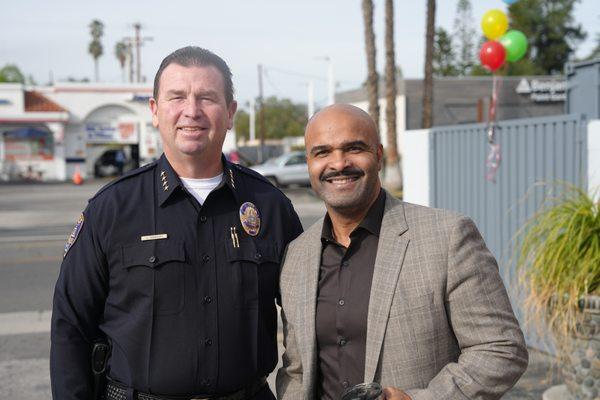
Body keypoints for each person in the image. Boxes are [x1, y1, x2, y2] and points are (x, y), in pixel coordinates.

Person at [50, 46, 303, 400]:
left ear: (230, 113)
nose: (192, 111)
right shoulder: (111, 209)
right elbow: (71, 327)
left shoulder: (270, 207)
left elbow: (308, 319)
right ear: (155, 110)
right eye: (177, 97)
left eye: (207, 98)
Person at [275, 104, 528, 400]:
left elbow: (501, 348)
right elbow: (297, 370)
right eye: (322, 152)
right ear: (309, 163)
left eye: (354, 148)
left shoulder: (447, 236)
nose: (339, 163)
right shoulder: (296, 256)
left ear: (379, 156)